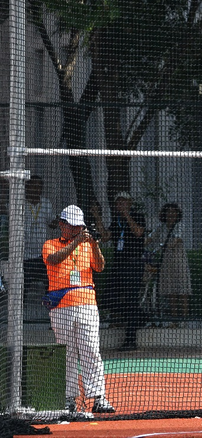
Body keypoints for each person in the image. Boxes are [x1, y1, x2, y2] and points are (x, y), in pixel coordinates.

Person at [42, 205, 115, 414]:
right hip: (61, 306)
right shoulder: (50, 244)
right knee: (67, 353)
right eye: (72, 226)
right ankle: (68, 399)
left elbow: (100, 266)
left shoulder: (87, 244)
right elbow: (53, 260)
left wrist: (94, 244)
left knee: (91, 350)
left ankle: (99, 397)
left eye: (78, 227)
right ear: (62, 224)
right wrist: (77, 242)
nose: (76, 230)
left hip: (87, 304)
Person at [99, 191, 145, 351]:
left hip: (133, 265)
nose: (120, 205)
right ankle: (140, 316)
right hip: (119, 265)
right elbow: (105, 236)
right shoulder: (116, 221)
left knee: (132, 300)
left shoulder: (138, 216)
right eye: (118, 203)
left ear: (129, 203)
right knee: (107, 299)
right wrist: (97, 217)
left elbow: (138, 232)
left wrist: (127, 216)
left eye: (123, 202)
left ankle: (131, 339)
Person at [145, 203, 192, 321]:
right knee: (171, 291)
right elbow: (149, 239)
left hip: (179, 261)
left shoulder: (179, 226)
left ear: (177, 214)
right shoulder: (160, 227)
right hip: (165, 262)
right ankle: (174, 319)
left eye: (173, 212)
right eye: (168, 212)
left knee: (182, 290)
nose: (171, 214)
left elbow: (176, 239)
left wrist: (168, 244)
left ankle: (184, 319)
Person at [24, 175, 56, 320]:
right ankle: (20, 315)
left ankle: (50, 314)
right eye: (33, 186)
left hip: (43, 252)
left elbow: (52, 222)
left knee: (48, 283)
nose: (36, 189)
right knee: (24, 284)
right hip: (25, 253)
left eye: (39, 187)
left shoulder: (46, 203)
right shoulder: (20, 203)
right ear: (27, 187)